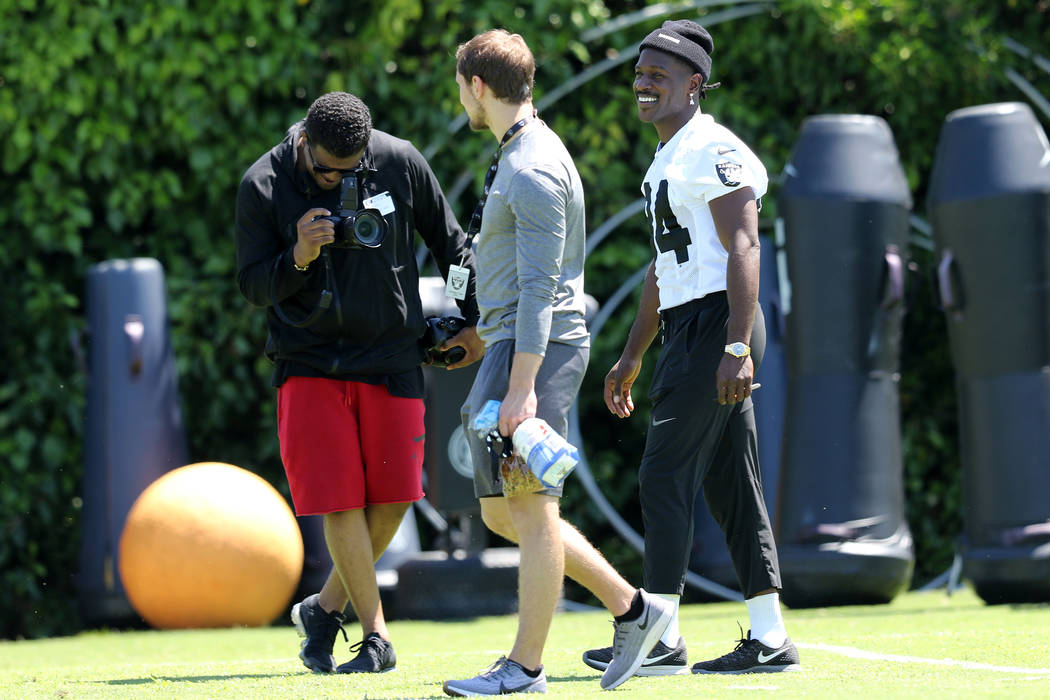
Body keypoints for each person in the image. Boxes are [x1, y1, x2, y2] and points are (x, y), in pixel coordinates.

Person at [441, 30, 673, 697]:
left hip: (537, 355)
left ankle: (526, 668)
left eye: (461, 86)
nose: (461, 97)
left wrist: (521, 391)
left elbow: (542, 288)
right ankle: (635, 610)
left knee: (531, 505)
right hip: (510, 347)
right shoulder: (517, 152)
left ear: (477, 87)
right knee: (498, 510)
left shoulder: (534, 166)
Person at [235, 91, 484, 674]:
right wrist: (298, 255)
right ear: (304, 143)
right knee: (339, 498)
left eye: (350, 170)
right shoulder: (264, 183)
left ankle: (324, 610)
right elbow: (251, 285)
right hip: (308, 358)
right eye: (325, 170)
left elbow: (451, 245)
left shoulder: (397, 161)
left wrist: (477, 320)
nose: (336, 180)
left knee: (398, 494)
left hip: (392, 353)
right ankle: (376, 637)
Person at [590, 19, 801, 676]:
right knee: (732, 485)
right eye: (639, 75)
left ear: (694, 83)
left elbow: (744, 244)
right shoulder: (667, 158)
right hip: (690, 325)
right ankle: (769, 640)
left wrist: (737, 344)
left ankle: (658, 634)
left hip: (720, 325)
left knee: (662, 474)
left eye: (658, 75)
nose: (643, 85)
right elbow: (662, 271)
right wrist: (631, 354)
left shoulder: (712, 147)